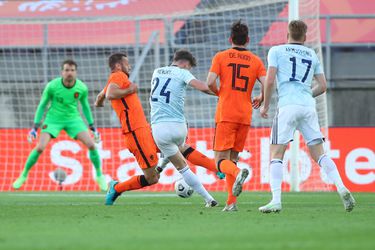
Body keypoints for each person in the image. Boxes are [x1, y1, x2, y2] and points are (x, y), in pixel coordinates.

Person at [259, 20, 355, 213]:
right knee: (320, 154)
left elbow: (269, 80)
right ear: (305, 37)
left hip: (287, 106)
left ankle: (276, 200)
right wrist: (304, 95)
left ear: (287, 35)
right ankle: (341, 187)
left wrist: (265, 104)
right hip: (308, 106)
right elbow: (323, 85)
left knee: (277, 154)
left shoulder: (276, 51)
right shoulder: (311, 54)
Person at [12, 60, 107, 191]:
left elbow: (85, 107)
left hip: (73, 119)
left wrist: (92, 127)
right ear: (62, 72)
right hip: (53, 119)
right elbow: (42, 105)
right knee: (40, 147)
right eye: (67, 70)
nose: (69, 73)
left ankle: (99, 175)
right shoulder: (52, 86)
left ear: (76, 72)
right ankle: (23, 175)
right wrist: (34, 128)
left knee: (91, 144)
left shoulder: (82, 88)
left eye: (72, 70)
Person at [206, 20, 266, 211]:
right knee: (232, 158)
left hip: (226, 113)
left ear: (230, 39)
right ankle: (231, 203)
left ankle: (239, 172)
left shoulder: (221, 56)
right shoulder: (256, 61)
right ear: (248, 40)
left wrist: (219, 93)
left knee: (220, 162)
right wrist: (262, 97)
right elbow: (269, 82)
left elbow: (209, 82)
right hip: (245, 115)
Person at [150, 49, 218, 207]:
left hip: (159, 127)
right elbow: (203, 87)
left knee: (182, 167)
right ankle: (160, 166)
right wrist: (221, 93)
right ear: (185, 63)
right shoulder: (182, 72)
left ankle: (209, 199)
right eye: (189, 67)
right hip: (180, 126)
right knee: (176, 148)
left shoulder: (156, 72)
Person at [96, 52, 160, 205]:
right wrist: (129, 91)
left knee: (174, 147)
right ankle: (117, 188)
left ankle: (216, 170)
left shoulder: (116, 79)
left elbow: (101, 96)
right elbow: (111, 93)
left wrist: (100, 102)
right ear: (118, 66)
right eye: (127, 63)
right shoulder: (118, 76)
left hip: (142, 129)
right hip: (136, 133)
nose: (129, 66)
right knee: (152, 178)